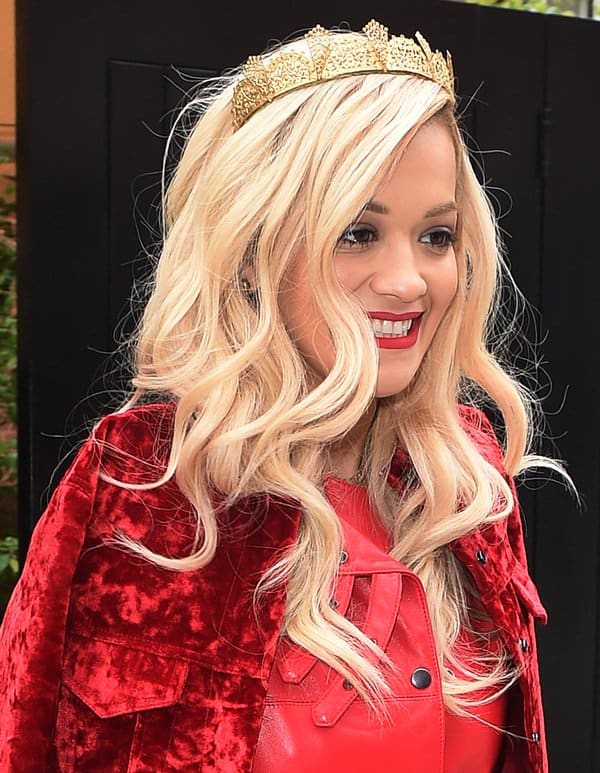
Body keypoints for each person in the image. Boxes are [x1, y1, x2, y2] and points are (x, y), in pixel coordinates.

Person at [0, 19, 563, 772]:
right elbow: (26, 741)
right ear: (251, 248)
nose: (409, 281)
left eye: (436, 236)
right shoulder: (141, 488)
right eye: (357, 233)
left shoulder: (464, 475)